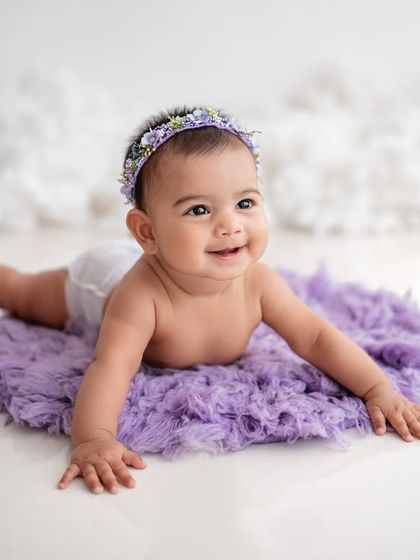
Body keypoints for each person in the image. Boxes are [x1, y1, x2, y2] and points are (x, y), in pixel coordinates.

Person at [0, 106, 419, 495]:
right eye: (199, 210)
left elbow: (316, 337)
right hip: (98, 281)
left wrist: (377, 387)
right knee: (21, 293)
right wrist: (94, 439)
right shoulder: (140, 297)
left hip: (165, 257)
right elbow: (111, 367)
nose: (230, 225)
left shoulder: (259, 284)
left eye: (245, 203)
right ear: (147, 232)